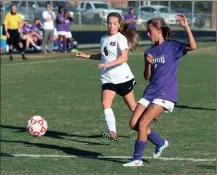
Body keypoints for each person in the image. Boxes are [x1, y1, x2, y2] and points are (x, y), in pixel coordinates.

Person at [123, 14, 196, 167]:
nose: (148, 34)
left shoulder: (172, 46)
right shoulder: (149, 51)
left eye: (150, 31)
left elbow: (193, 46)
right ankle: (160, 142)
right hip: (150, 91)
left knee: (143, 124)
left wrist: (186, 27)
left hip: (166, 92)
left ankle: (137, 159)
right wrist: (148, 64)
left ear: (158, 30)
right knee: (133, 123)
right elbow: (147, 77)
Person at [76, 12, 139, 142]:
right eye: (109, 23)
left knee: (133, 107)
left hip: (123, 78)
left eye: (114, 24)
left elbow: (124, 57)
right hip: (108, 79)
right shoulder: (103, 38)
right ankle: (113, 132)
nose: (111, 26)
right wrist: (87, 56)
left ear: (119, 25)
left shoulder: (120, 38)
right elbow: (104, 55)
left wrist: (108, 64)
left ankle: (148, 113)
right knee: (105, 103)